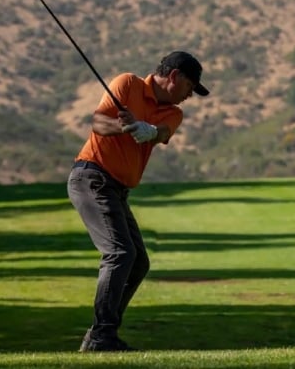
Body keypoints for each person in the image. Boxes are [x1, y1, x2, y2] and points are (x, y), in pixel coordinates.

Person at [68, 51, 209, 351]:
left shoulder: (174, 112)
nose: (189, 96)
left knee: (138, 262)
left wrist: (146, 130)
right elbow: (98, 123)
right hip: (91, 177)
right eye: (189, 87)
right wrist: (125, 127)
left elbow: (161, 132)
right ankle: (101, 336)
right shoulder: (126, 84)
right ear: (174, 77)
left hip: (117, 190)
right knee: (120, 253)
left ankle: (101, 334)